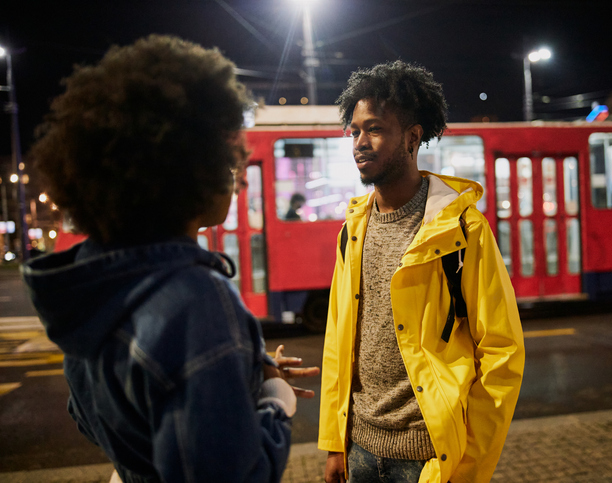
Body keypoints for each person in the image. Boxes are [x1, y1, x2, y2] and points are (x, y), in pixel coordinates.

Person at [23, 35, 318, 483]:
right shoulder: (197, 299)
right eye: (224, 154)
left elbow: (92, 420)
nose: (234, 170)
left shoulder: (91, 289)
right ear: (185, 169)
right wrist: (275, 400)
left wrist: (238, 376)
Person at [318, 61, 525, 483]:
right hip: (359, 450)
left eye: (373, 129)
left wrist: (468, 467)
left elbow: (502, 353)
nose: (359, 142)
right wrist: (334, 443)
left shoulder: (462, 229)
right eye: (354, 131)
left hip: (427, 457)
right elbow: (338, 342)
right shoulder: (352, 229)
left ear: (413, 137)